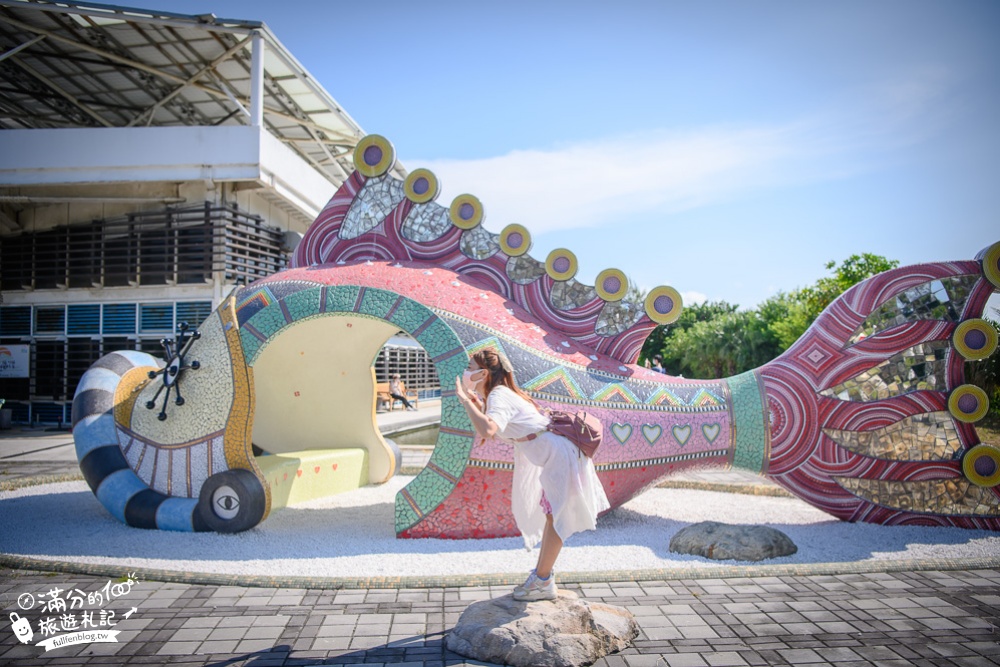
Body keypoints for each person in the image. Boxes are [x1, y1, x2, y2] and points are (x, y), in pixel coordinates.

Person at [454, 348, 610, 601]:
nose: (466, 371)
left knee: (558, 516)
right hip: (557, 455)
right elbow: (493, 424)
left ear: (483, 373)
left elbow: (489, 430)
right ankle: (542, 578)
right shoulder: (499, 395)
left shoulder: (499, 395)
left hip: (560, 456)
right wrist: (475, 403)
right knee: (554, 516)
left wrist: (463, 398)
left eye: (469, 366)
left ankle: (543, 580)